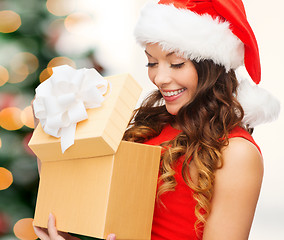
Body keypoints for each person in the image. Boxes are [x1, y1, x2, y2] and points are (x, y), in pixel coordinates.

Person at [34, 0, 280, 239]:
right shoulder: (149, 128)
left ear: (212, 65)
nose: (159, 78)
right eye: (151, 62)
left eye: (176, 64)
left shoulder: (236, 153)